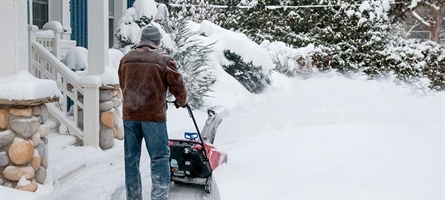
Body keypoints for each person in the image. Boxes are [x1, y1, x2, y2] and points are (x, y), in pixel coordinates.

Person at [118, 25, 187, 200]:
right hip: (153, 117)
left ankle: (133, 197)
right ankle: (158, 197)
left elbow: (122, 84)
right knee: (159, 158)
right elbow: (178, 85)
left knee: (131, 160)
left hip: (130, 116)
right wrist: (181, 101)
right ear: (157, 42)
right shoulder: (164, 59)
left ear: (142, 40)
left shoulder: (126, 59)